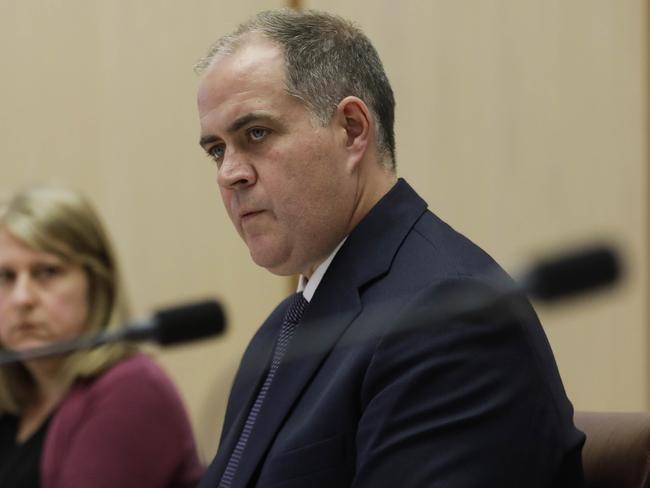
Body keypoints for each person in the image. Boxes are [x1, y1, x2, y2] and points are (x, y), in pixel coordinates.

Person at [195, 9, 584, 488]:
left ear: (353, 130)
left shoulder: (450, 318)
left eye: (255, 134)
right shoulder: (286, 326)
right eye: (216, 149)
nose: (229, 173)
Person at [0, 185, 203, 487]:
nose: (22, 298)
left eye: (47, 272)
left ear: (97, 284)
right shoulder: (13, 397)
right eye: (6, 277)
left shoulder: (133, 391)